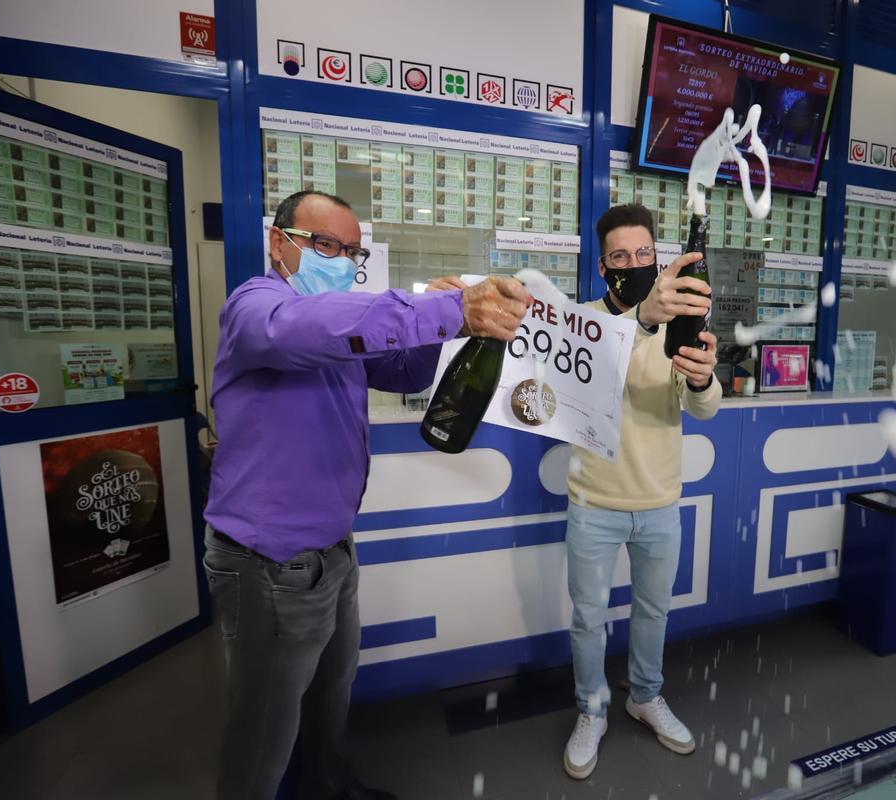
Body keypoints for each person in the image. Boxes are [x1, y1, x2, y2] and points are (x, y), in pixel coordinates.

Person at [203, 190, 530, 800]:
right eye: (325, 244)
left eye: (351, 252)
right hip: (267, 562)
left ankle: (329, 786)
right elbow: (305, 330)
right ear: (279, 243)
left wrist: (437, 325)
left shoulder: (334, 325)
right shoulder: (256, 308)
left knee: (331, 696)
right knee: (263, 731)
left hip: (334, 551)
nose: (341, 260)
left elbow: (401, 371)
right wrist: (448, 309)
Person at [562, 204, 721, 779]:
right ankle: (591, 710)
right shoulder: (580, 321)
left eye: (644, 253)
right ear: (603, 267)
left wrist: (703, 378)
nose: (635, 263)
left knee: (653, 611)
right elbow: (592, 378)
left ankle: (645, 696)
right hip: (593, 504)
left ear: (658, 257)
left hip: (659, 504)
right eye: (621, 256)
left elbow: (703, 408)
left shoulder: (680, 318)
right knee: (589, 618)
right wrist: (644, 321)